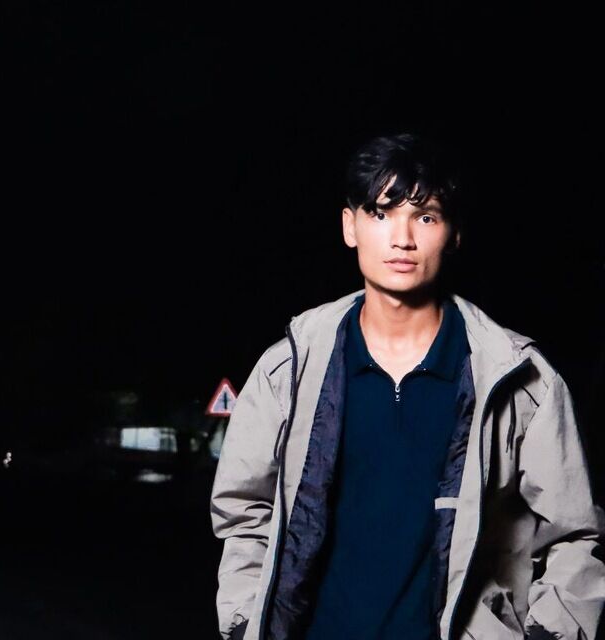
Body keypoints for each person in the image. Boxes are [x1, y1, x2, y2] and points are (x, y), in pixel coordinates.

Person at [209, 133, 605, 640]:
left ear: (453, 234)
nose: (402, 238)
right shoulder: (288, 369)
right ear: (350, 226)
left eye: (426, 216)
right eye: (381, 213)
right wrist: (244, 622)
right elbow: (245, 513)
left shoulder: (521, 382)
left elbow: (575, 535)